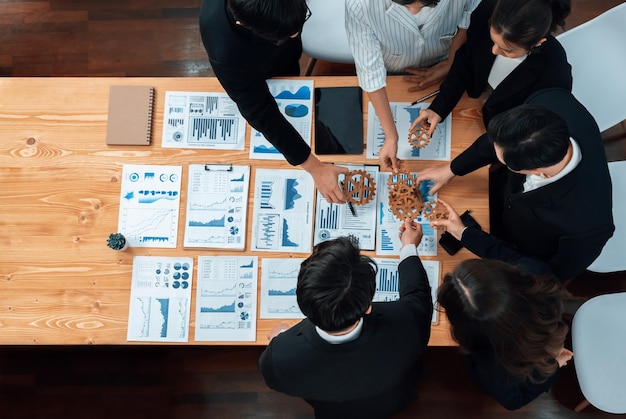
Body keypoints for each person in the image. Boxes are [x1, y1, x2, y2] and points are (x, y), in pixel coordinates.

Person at [419, 88, 614, 281]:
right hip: (502, 197)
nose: (495, 152)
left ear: (534, 170)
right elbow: (502, 141)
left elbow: (543, 276)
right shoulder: (549, 100)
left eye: (502, 160)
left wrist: (467, 235)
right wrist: (452, 169)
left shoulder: (587, 229)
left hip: (517, 248)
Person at [258, 221, 433, 418]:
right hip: (394, 398)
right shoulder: (405, 323)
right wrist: (408, 247)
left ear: (304, 304)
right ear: (367, 307)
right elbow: (418, 296)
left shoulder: (279, 356)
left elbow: (276, 380)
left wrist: (280, 338)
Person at [199, 0, 348, 203]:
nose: (296, 35)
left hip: (280, 33)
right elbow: (257, 109)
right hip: (260, 60)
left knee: (290, 59)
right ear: (242, 23)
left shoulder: (289, 28)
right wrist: (314, 167)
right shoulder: (225, 47)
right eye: (286, 35)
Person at [345, 0, 480, 173]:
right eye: (407, 5)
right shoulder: (359, 4)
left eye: (424, 4)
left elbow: (468, 16)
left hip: (445, 60)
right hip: (393, 67)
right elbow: (370, 73)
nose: (414, 11)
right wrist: (391, 136)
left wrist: (451, 63)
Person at [410, 0, 572, 137]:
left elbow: (531, 127)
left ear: (538, 42)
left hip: (507, 129)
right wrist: (438, 108)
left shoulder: (555, 73)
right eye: (493, 39)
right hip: (475, 99)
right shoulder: (487, 11)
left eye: (507, 50)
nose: (494, 51)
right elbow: (465, 60)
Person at [438, 258, 573, 410]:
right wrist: (554, 362)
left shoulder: (493, 368)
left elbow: (515, 401)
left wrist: (554, 365)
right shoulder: (543, 286)